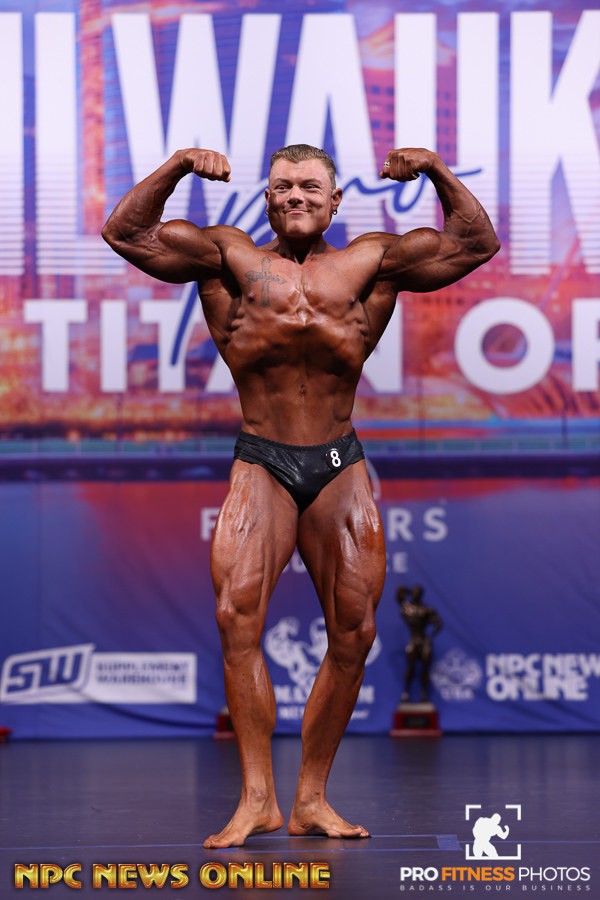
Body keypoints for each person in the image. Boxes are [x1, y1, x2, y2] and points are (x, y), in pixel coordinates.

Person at [102, 144, 500, 848]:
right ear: (266, 200)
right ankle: (258, 798)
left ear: (335, 200)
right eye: (283, 186)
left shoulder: (374, 261)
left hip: (339, 462)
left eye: (310, 186)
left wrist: (437, 170)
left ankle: (311, 797)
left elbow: (475, 243)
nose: (295, 196)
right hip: (263, 458)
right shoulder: (228, 257)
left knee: (356, 631)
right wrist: (178, 166)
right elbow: (126, 233)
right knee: (236, 617)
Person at [397, 584, 443, 702]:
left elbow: (438, 624)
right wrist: (408, 590)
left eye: (418, 593)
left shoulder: (426, 610)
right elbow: (399, 594)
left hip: (424, 640)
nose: (416, 595)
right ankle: (406, 692)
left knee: (425, 668)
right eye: (414, 592)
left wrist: (430, 637)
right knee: (410, 667)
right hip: (413, 640)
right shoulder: (408, 609)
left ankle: (424, 693)